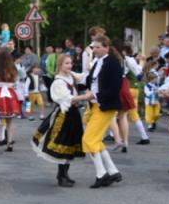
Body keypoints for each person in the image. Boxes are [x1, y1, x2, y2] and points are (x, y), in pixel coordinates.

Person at [31, 54, 87, 186]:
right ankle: (61, 177)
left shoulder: (71, 76)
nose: (70, 66)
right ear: (60, 65)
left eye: (70, 63)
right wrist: (86, 97)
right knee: (63, 144)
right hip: (63, 115)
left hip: (73, 114)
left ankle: (65, 174)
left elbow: (84, 76)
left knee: (70, 145)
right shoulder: (58, 82)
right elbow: (68, 99)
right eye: (66, 63)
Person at [81, 36, 124, 188]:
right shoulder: (98, 62)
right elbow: (90, 81)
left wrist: (95, 96)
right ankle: (113, 172)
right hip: (94, 106)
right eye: (93, 47)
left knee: (88, 140)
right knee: (96, 140)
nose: (94, 50)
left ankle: (101, 174)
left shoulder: (113, 64)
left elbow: (114, 89)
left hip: (105, 106)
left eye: (98, 47)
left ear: (106, 47)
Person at [0, 49, 21, 151]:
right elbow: (16, 80)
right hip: (10, 93)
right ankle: (9, 143)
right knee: (10, 121)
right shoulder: (13, 68)